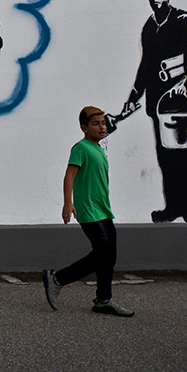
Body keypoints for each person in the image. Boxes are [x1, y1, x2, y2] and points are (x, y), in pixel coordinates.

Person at [112, 0, 187, 223]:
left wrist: (184, 82)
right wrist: (134, 96)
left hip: (180, 99)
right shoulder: (149, 27)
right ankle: (173, 205)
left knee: (184, 155)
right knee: (165, 156)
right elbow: (146, 65)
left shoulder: (185, 21)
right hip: (157, 101)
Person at [42, 106, 134, 317]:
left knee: (109, 256)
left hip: (103, 209)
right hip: (89, 209)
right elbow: (69, 175)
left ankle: (103, 300)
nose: (102, 127)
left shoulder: (98, 148)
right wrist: (68, 202)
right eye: (95, 124)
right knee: (103, 254)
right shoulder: (81, 148)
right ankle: (56, 280)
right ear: (84, 128)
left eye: (103, 123)